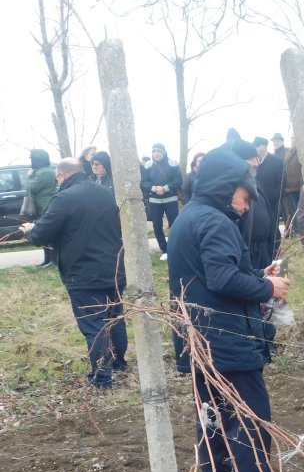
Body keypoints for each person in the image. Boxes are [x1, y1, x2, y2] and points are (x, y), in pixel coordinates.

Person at [167, 147, 291, 472]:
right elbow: (221, 278)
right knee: (250, 415)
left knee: (212, 415)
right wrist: (267, 288)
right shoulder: (216, 222)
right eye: (245, 194)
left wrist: (254, 275)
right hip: (226, 338)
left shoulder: (189, 217)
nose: (248, 204)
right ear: (226, 186)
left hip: (197, 337)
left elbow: (206, 275)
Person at [20, 158, 128, 389]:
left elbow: (42, 233)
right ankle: (119, 363)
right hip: (114, 268)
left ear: (62, 175)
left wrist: (30, 231)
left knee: (94, 325)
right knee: (114, 318)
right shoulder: (104, 192)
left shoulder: (65, 197)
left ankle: (101, 378)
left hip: (84, 274)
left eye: (58, 178)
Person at [140, 142, 182, 261]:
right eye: (154, 151)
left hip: (170, 198)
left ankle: (175, 248)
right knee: (157, 226)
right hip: (154, 200)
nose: (156, 153)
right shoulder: (147, 165)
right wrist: (154, 188)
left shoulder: (172, 162)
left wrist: (165, 188)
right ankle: (165, 249)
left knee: (174, 224)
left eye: (158, 151)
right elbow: (143, 182)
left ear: (163, 152)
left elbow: (178, 180)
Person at [24, 149, 57, 267]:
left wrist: (28, 177)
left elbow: (30, 187)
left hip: (46, 207)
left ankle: (53, 261)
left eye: (32, 158)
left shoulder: (45, 172)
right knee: (43, 234)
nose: (31, 160)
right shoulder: (41, 171)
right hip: (41, 207)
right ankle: (47, 260)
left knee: (48, 234)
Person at [253, 136, 284, 262]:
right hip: (258, 204)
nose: (255, 149)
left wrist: (272, 197)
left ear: (264, 146)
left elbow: (282, 182)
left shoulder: (276, 161)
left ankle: (276, 254)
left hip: (272, 203)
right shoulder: (255, 163)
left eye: (257, 146)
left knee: (273, 229)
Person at [282, 141, 304, 237]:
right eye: (292, 138)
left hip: (298, 186)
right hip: (289, 187)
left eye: (294, 138)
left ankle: (302, 231)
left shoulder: (301, 150)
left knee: (300, 210)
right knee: (292, 211)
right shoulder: (288, 152)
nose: (293, 140)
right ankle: (296, 230)